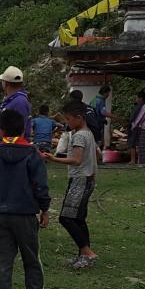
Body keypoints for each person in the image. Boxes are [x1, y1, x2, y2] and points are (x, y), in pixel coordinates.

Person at [0, 110, 49, 289]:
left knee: (1, 261)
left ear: (0, 130)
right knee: (31, 259)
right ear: (24, 130)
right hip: (26, 214)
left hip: (0, 213)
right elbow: (40, 185)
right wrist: (44, 208)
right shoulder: (32, 153)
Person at [43, 101, 99, 269]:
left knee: (66, 218)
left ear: (79, 117)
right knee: (78, 218)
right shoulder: (88, 133)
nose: (67, 123)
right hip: (88, 179)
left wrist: (53, 159)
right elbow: (96, 155)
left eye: (68, 119)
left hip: (80, 180)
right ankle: (83, 255)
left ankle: (88, 252)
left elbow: (76, 159)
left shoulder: (80, 135)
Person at [0, 65, 32, 144]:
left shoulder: (19, 102)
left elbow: (21, 130)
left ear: (6, 83)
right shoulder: (12, 100)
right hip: (2, 148)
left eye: (2, 81)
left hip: (8, 151)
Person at [126, 91, 145, 165]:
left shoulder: (137, 107)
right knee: (141, 144)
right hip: (144, 127)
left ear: (140, 98)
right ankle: (140, 160)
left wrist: (129, 125)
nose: (136, 99)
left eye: (137, 98)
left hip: (135, 127)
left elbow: (132, 117)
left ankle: (133, 160)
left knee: (132, 143)